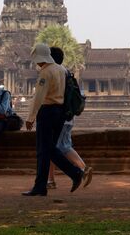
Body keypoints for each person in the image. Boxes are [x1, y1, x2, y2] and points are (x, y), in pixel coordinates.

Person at [22, 44, 87, 196]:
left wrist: (30, 117)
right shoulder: (62, 69)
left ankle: (74, 172)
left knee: (46, 150)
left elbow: (39, 97)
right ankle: (40, 186)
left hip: (47, 112)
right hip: (60, 113)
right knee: (47, 150)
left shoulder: (46, 72)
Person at [46, 47, 93, 190]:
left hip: (59, 116)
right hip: (68, 116)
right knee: (58, 146)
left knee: (57, 147)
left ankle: (82, 170)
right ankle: (51, 179)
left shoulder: (53, 72)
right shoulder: (66, 72)